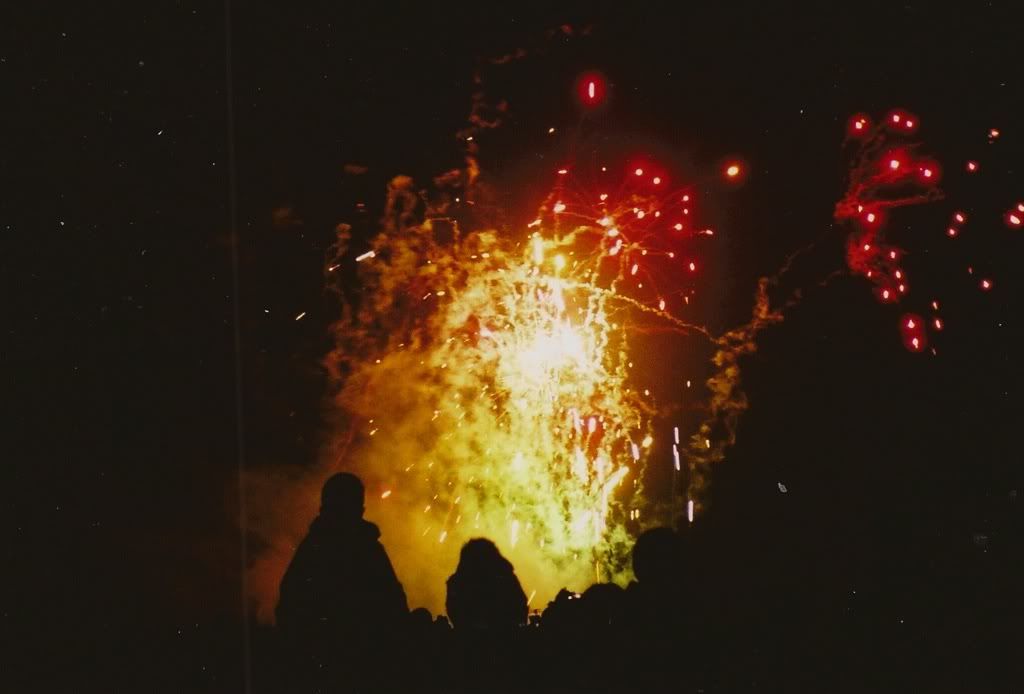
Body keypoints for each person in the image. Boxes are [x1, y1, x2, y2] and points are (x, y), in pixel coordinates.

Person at [276, 472, 408, 651]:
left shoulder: (312, 549)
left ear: (324, 507)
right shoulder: (369, 550)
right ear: (360, 509)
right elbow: (395, 605)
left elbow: (288, 607)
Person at [445, 538, 527, 632]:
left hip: (469, 640)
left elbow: (455, 613)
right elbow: (521, 604)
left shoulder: (458, 583)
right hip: (505, 638)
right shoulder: (505, 576)